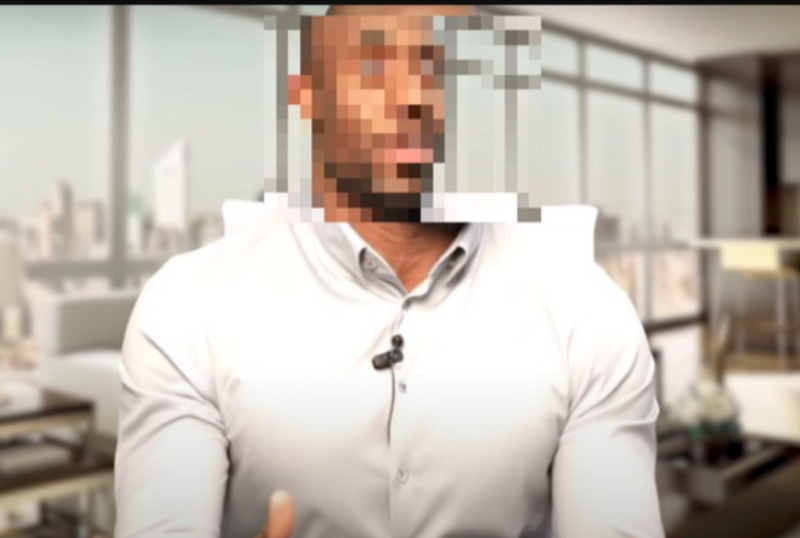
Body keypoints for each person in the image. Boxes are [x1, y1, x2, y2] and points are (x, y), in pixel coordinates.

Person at [113, 5, 665, 538]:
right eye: (375, 65)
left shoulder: (586, 312)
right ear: (306, 95)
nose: (414, 97)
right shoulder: (187, 309)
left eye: (437, 70)